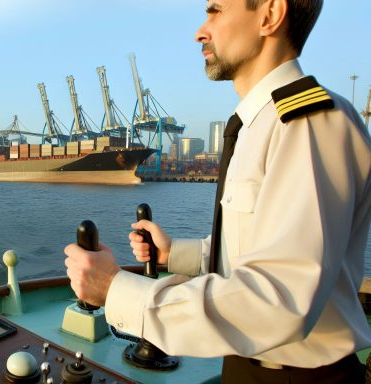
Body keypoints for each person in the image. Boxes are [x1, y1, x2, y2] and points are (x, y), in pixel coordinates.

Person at [64, 0, 371, 382]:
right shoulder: (258, 124)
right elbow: (257, 248)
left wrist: (115, 289)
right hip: (248, 364)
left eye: (216, 10)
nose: (200, 31)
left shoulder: (306, 124)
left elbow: (281, 300)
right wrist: (174, 252)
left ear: (270, 14)